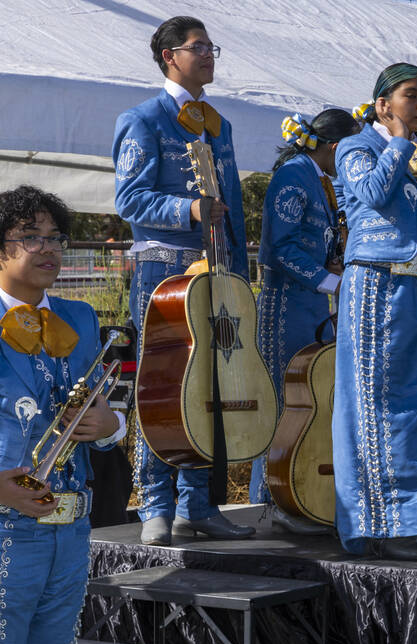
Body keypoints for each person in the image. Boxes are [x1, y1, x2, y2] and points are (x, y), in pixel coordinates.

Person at [112, 15, 253, 545]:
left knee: (212, 387)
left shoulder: (219, 123)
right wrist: (190, 208)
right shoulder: (143, 118)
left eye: (213, 47)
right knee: (163, 384)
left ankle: (197, 506)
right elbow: (129, 200)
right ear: (170, 56)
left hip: (219, 270)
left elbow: (233, 201)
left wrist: (237, 265)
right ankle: (154, 503)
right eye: (200, 47)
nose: (210, 55)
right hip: (164, 266)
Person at [333, 62, 417, 568]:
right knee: (374, 407)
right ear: (384, 104)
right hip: (378, 286)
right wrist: (401, 142)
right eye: (412, 95)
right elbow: (370, 194)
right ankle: (377, 524)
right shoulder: (357, 147)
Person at [0, 186, 125, 644]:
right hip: (6, 527)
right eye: (31, 237)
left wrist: (109, 428)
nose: (48, 249)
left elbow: (103, 410)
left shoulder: (81, 317)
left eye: (56, 238)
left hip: (71, 527)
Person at [250, 109, 360, 534]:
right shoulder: (294, 175)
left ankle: (297, 497)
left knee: (309, 401)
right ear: (334, 147)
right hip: (288, 303)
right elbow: (281, 247)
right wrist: (331, 281)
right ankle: (269, 501)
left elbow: (311, 242)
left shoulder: (316, 177)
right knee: (285, 402)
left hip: (312, 300)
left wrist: (330, 265)